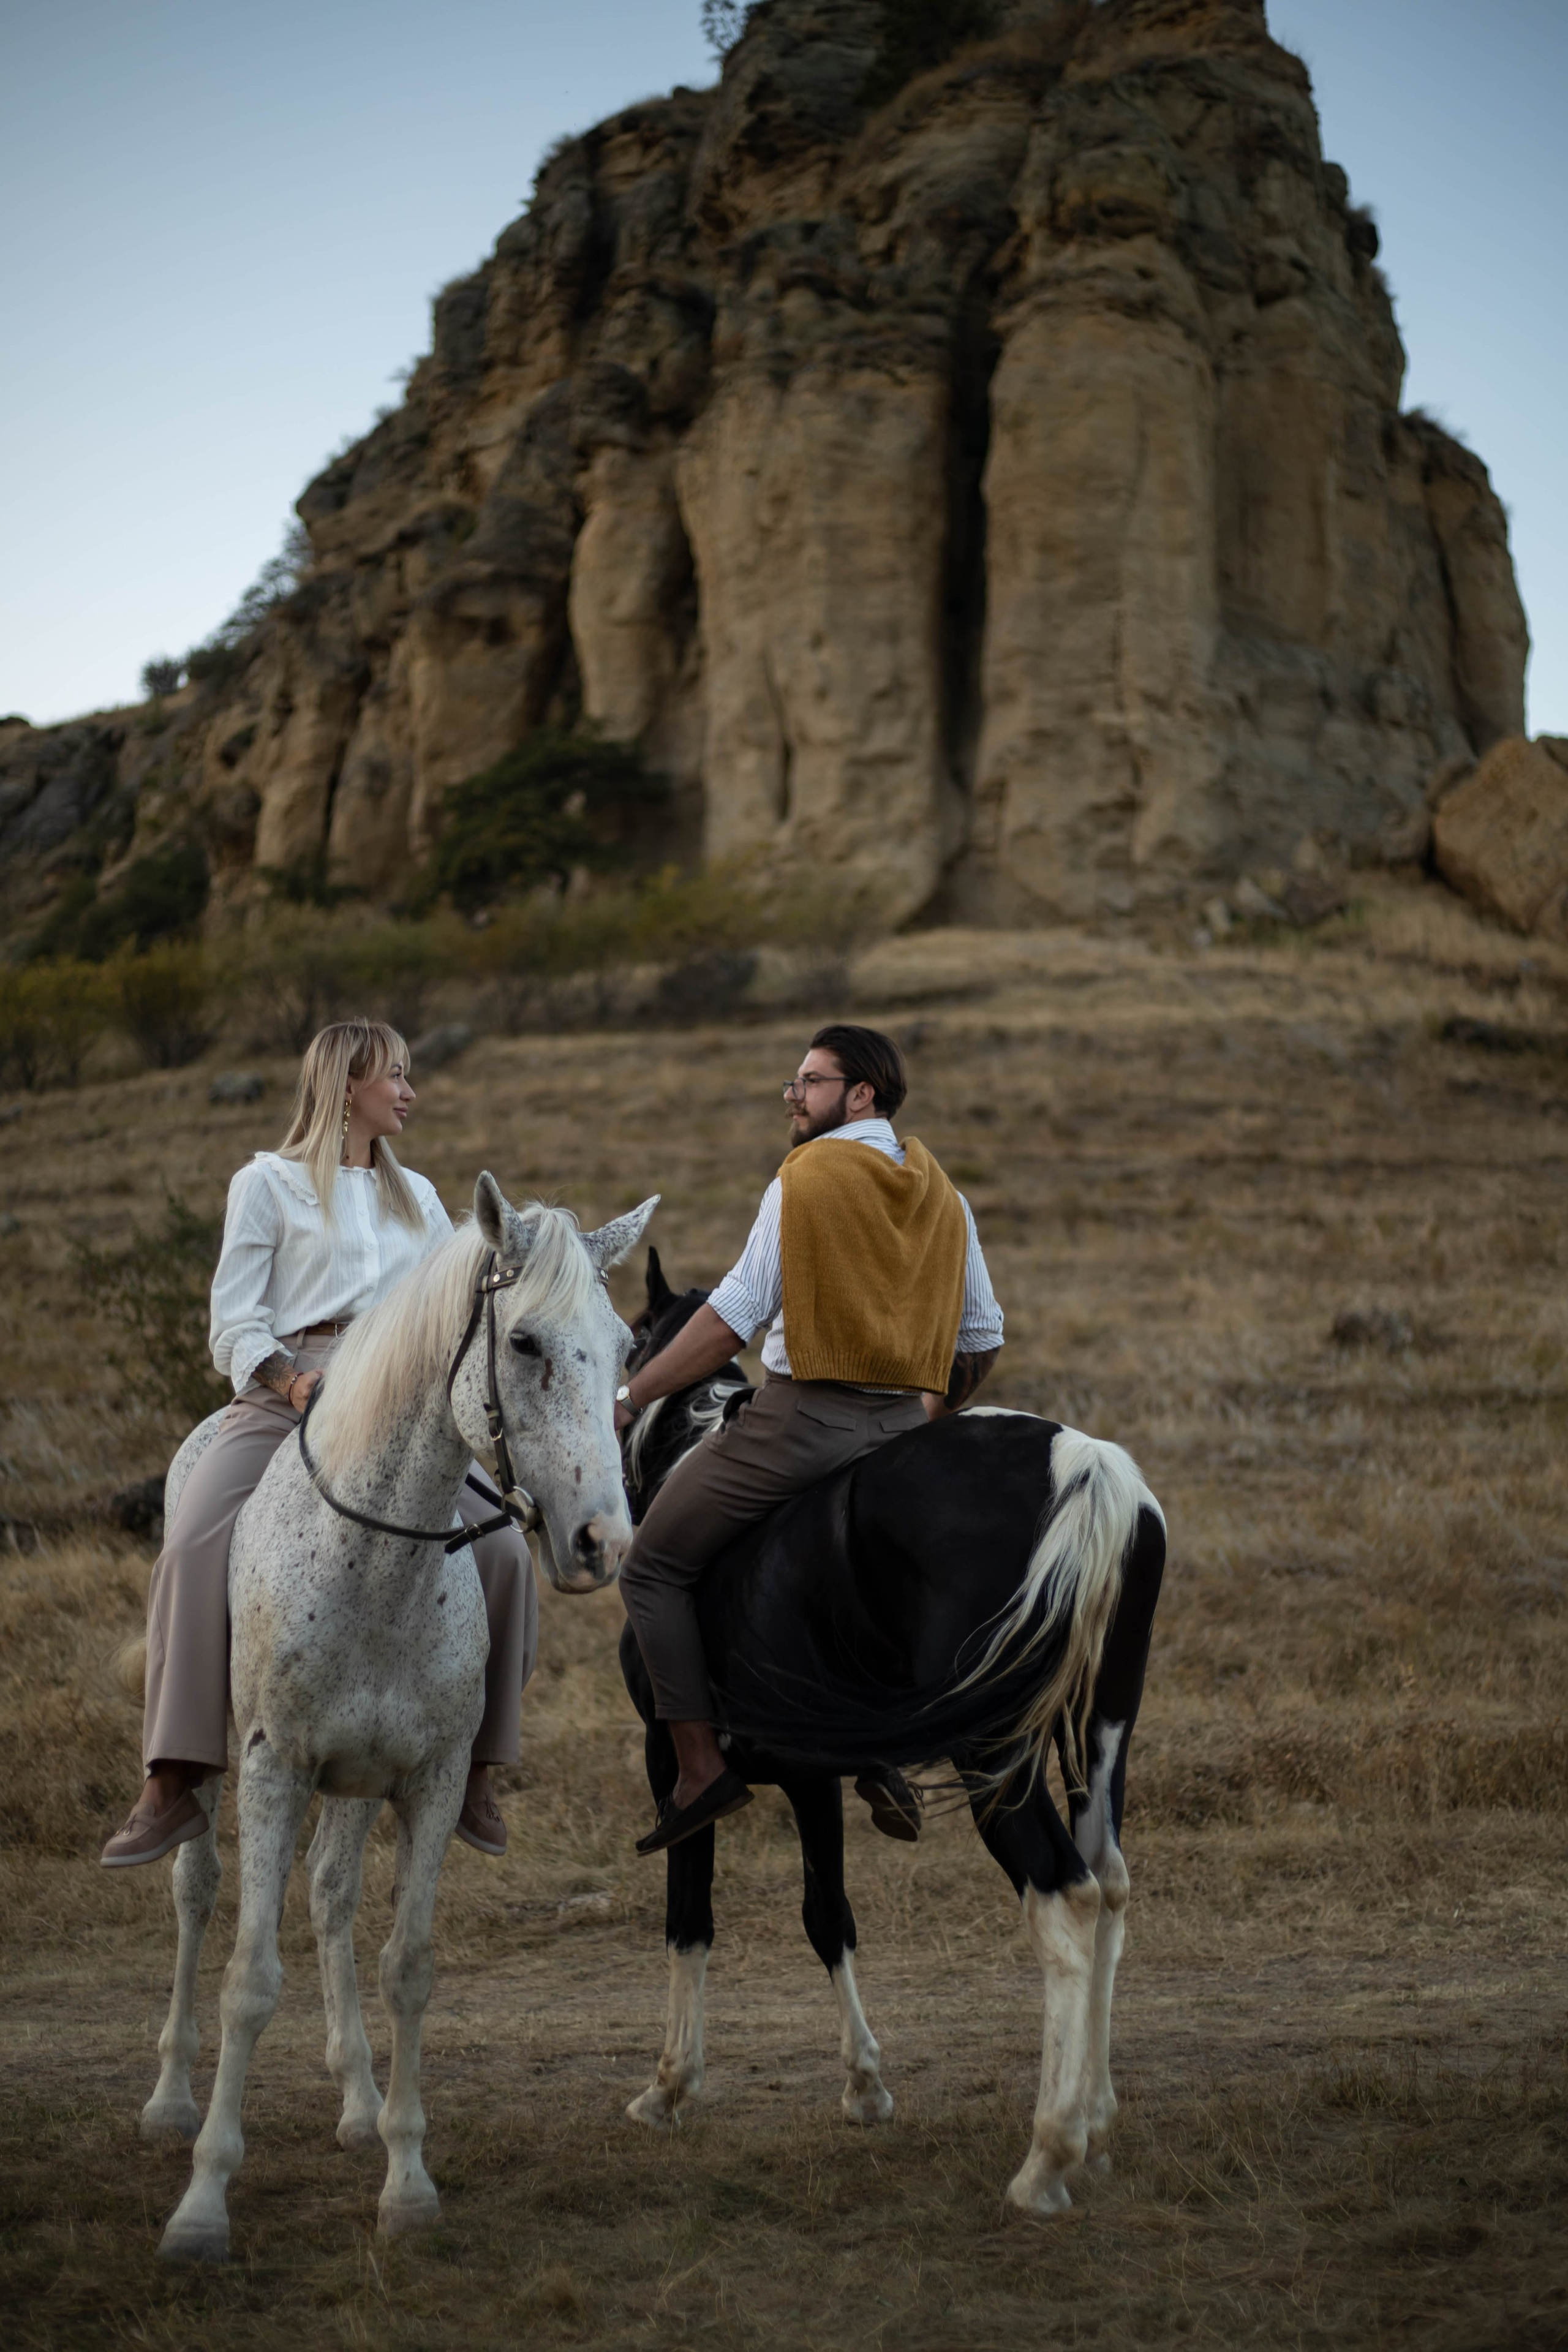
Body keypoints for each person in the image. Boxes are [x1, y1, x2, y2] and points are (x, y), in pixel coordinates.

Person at [100, 1019, 537, 1869]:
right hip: (292, 1388)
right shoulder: (267, 1185)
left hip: (404, 1407)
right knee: (192, 1543)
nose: (410, 1092)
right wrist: (294, 1383)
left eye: (410, 1076)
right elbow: (234, 1322)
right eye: (395, 1077)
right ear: (346, 1087)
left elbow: (464, 1296)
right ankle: (173, 1778)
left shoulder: (421, 1194)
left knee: (510, 1554)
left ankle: (478, 1768)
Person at [617, 1023, 1004, 1855]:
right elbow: (980, 1343)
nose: (792, 1098)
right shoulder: (946, 1195)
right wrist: (918, 1427)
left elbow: (728, 1325)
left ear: (861, 1094)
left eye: (810, 1082)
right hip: (904, 1434)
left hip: (798, 1423)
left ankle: (698, 1769)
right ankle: (875, 1749)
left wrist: (630, 1397)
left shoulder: (803, 1178)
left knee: (651, 1564)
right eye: (793, 1084)